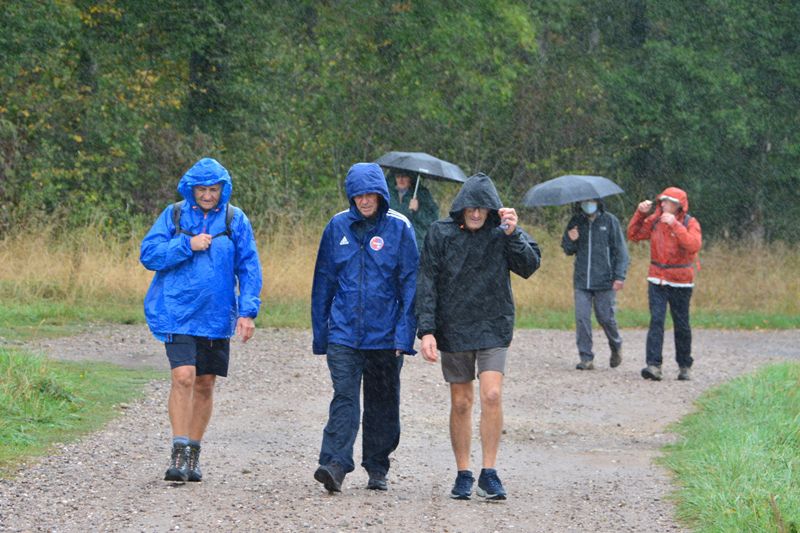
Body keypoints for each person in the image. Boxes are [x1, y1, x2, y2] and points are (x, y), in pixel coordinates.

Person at [416, 173, 541, 501]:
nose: (475, 213)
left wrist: (513, 234)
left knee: (492, 395)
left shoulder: (503, 233)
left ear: (492, 210)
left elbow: (529, 265)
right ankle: (463, 472)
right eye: (470, 207)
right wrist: (426, 330)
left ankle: (489, 471)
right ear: (461, 207)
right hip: (454, 326)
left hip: (493, 324)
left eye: (482, 208)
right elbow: (427, 281)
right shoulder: (440, 233)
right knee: (461, 402)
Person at [140, 157, 262, 482]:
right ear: (190, 189)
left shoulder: (235, 220)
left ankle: (193, 453)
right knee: (183, 376)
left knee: (205, 384)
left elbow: (249, 267)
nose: (207, 195)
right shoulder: (174, 215)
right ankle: (177, 453)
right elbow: (149, 254)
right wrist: (186, 245)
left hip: (216, 317)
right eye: (202, 189)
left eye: (213, 189)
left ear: (223, 189)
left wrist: (248, 311)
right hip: (176, 313)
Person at [311, 162, 419, 493]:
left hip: (385, 336)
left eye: (369, 194)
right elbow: (323, 282)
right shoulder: (336, 227)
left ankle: (377, 466)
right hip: (344, 333)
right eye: (357, 195)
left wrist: (405, 334)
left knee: (382, 401)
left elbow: (411, 285)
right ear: (351, 196)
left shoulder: (400, 228)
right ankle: (335, 465)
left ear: (380, 194)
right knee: (344, 397)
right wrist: (321, 334)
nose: (364, 200)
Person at [627, 187, 702, 381]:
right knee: (657, 321)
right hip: (657, 279)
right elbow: (633, 235)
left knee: (682, 324)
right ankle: (653, 365)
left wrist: (676, 226)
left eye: (668, 202)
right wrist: (640, 213)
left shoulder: (689, 222)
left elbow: (693, 245)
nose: (663, 204)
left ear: (679, 205)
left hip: (681, 282)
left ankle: (685, 365)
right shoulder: (655, 221)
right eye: (662, 201)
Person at [561, 199, 629, 370]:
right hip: (582, 280)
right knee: (582, 318)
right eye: (585, 201)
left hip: (605, 280)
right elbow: (568, 249)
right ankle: (586, 357)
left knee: (605, 317)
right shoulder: (576, 221)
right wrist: (571, 239)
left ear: (598, 202)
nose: (588, 204)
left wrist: (619, 276)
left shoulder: (610, 221)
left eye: (591, 201)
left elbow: (620, 251)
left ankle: (616, 345)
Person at [387, 170, 440, 250]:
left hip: (415, 242)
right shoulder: (387, 194)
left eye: (404, 176)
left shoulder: (422, 194)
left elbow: (432, 220)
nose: (401, 179)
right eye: (398, 176)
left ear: (410, 178)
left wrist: (417, 210)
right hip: (390, 241)